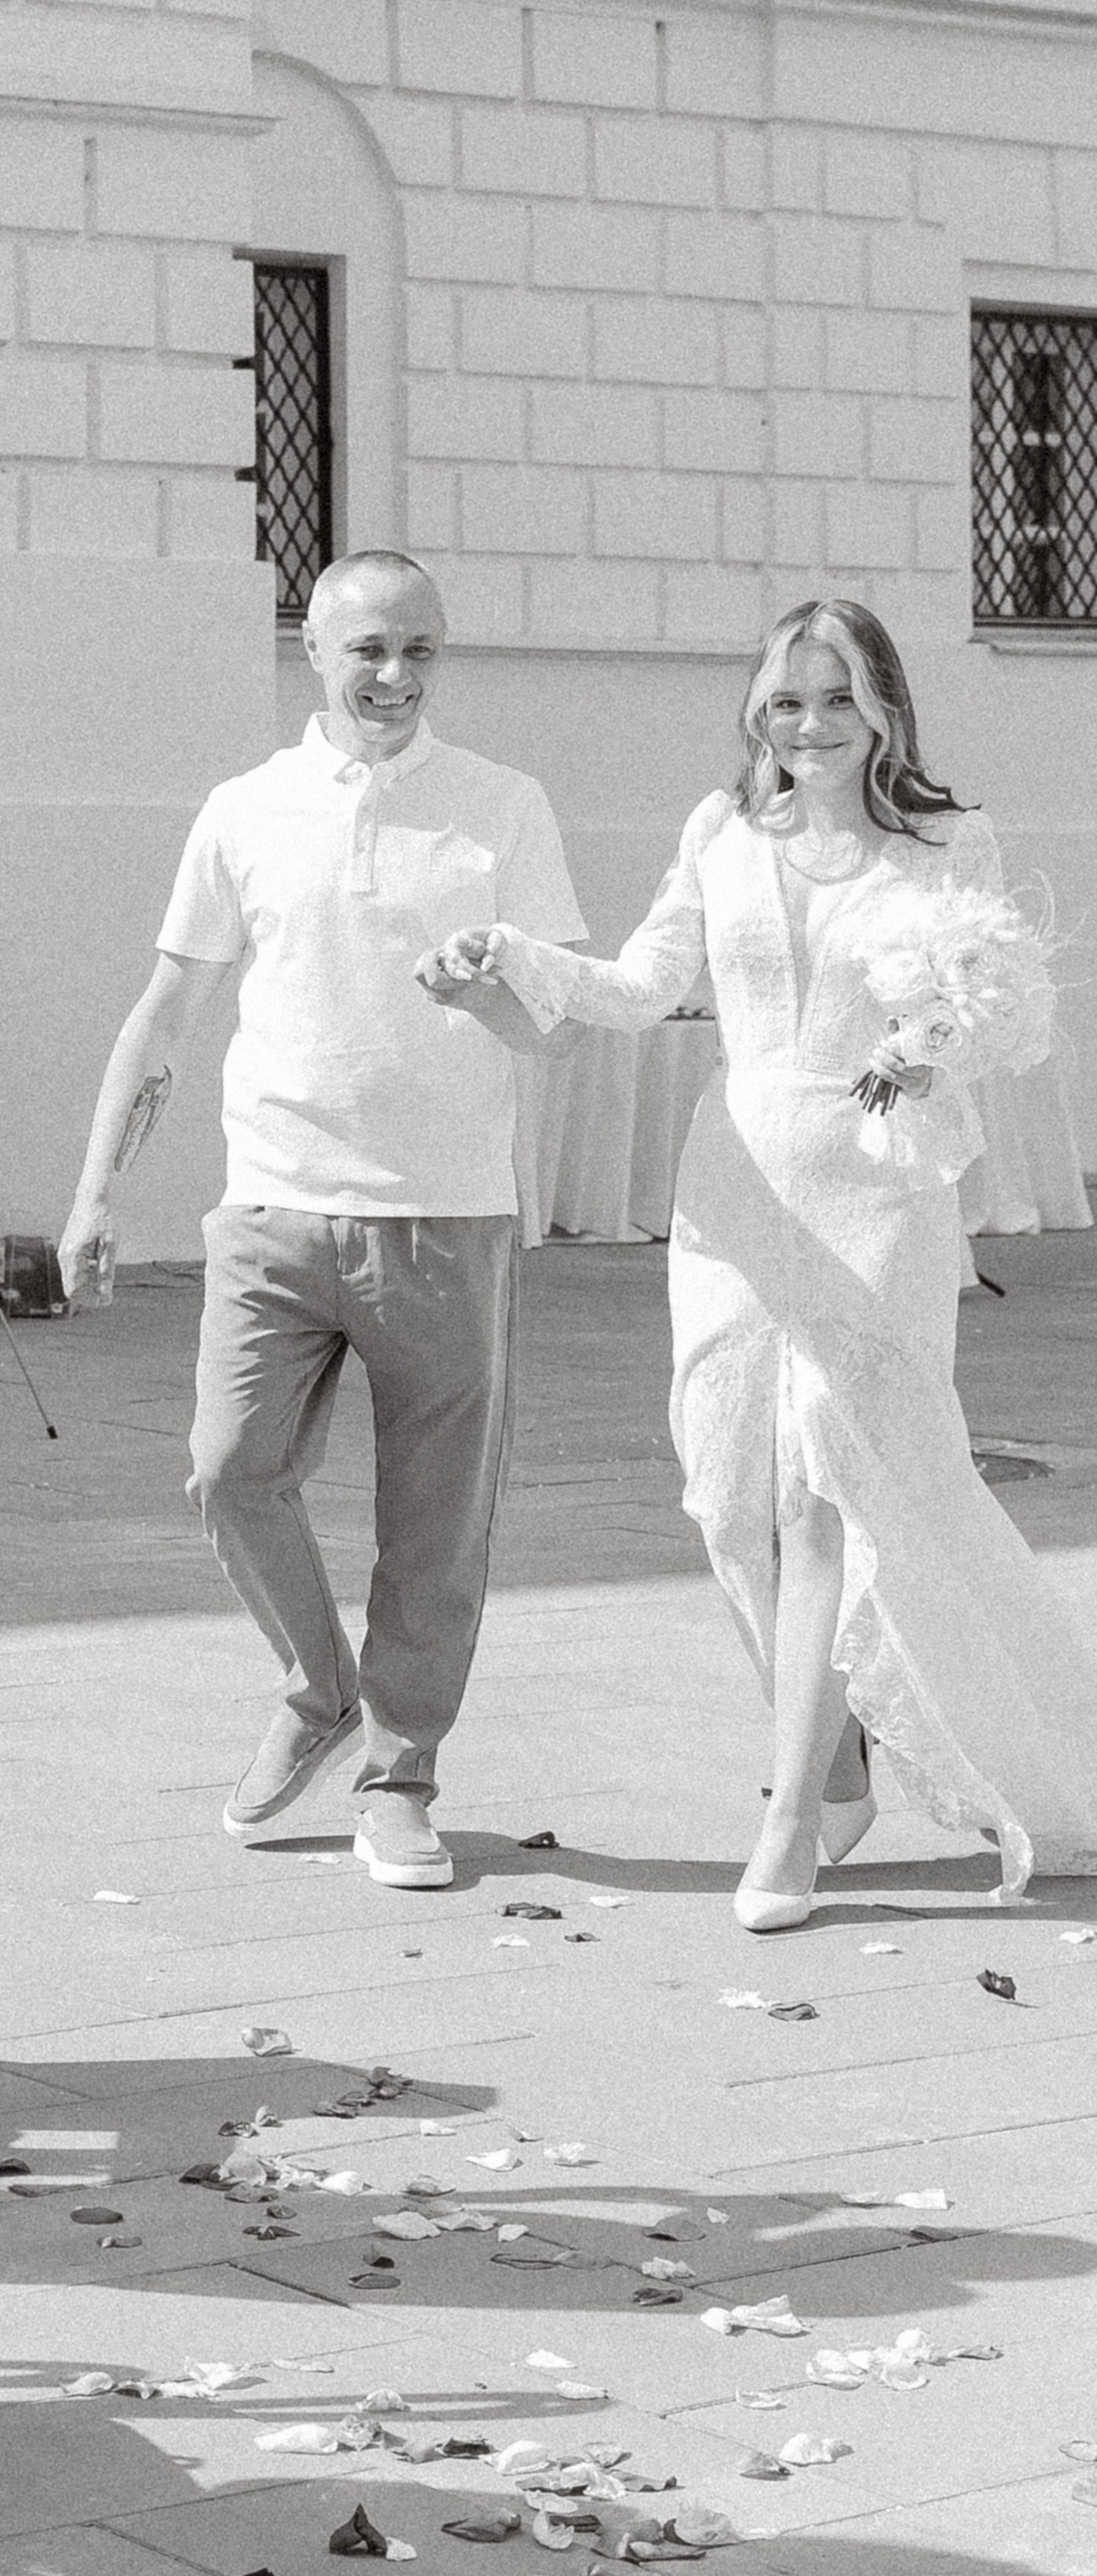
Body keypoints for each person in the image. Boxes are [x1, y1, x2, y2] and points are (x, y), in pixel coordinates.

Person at [419, 597, 1097, 1927]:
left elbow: (988, 1010)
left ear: (885, 708)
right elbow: (637, 988)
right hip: (735, 1184)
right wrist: (512, 958)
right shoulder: (720, 829)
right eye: (784, 701)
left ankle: (788, 1815)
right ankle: (840, 1754)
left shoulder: (949, 842)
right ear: (756, 712)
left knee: (825, 1495)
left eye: (835, 698)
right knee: (727, 1495)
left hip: (876, 1186)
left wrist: (929, 1046)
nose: (807, 725)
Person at [57, 552, 585, 1889]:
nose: (394, 677)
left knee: (436, 1524)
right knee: (230, 1469)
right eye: (369, 650)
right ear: (314, 652)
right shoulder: (246, 809)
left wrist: (488, 993)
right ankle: (316, 1685)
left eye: (419, 651)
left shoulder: (502, 808)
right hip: (275, 1205)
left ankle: (401, 1776)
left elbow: (549, 1030)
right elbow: (165, 1013)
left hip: (445, 1215)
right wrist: (92, 1198)